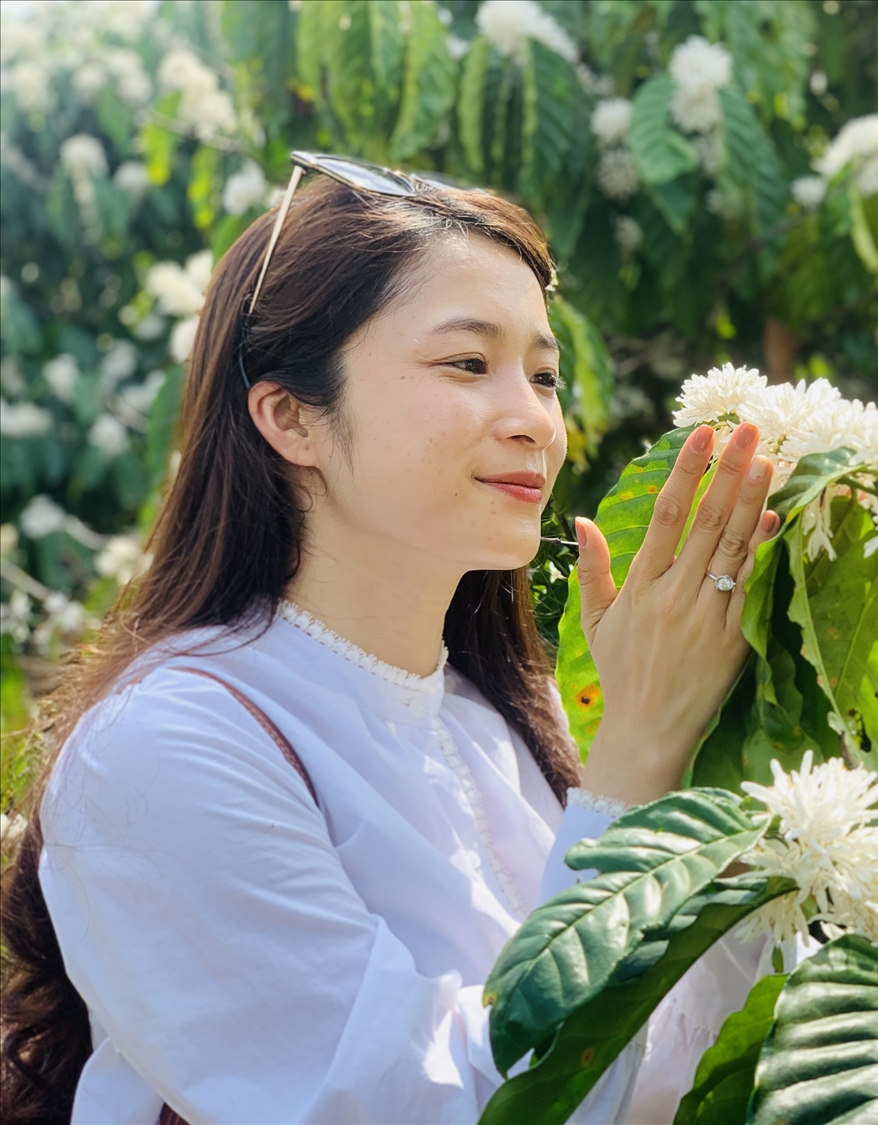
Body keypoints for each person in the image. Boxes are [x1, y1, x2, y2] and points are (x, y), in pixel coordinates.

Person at [0, 156, 780, 1123]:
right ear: (291, 416)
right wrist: (636, 758)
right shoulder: (165, 749)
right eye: (468, 363)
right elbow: (452, 1106)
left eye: (544, 374)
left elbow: (693, 1067)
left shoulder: (508, 723)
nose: (535, 419)